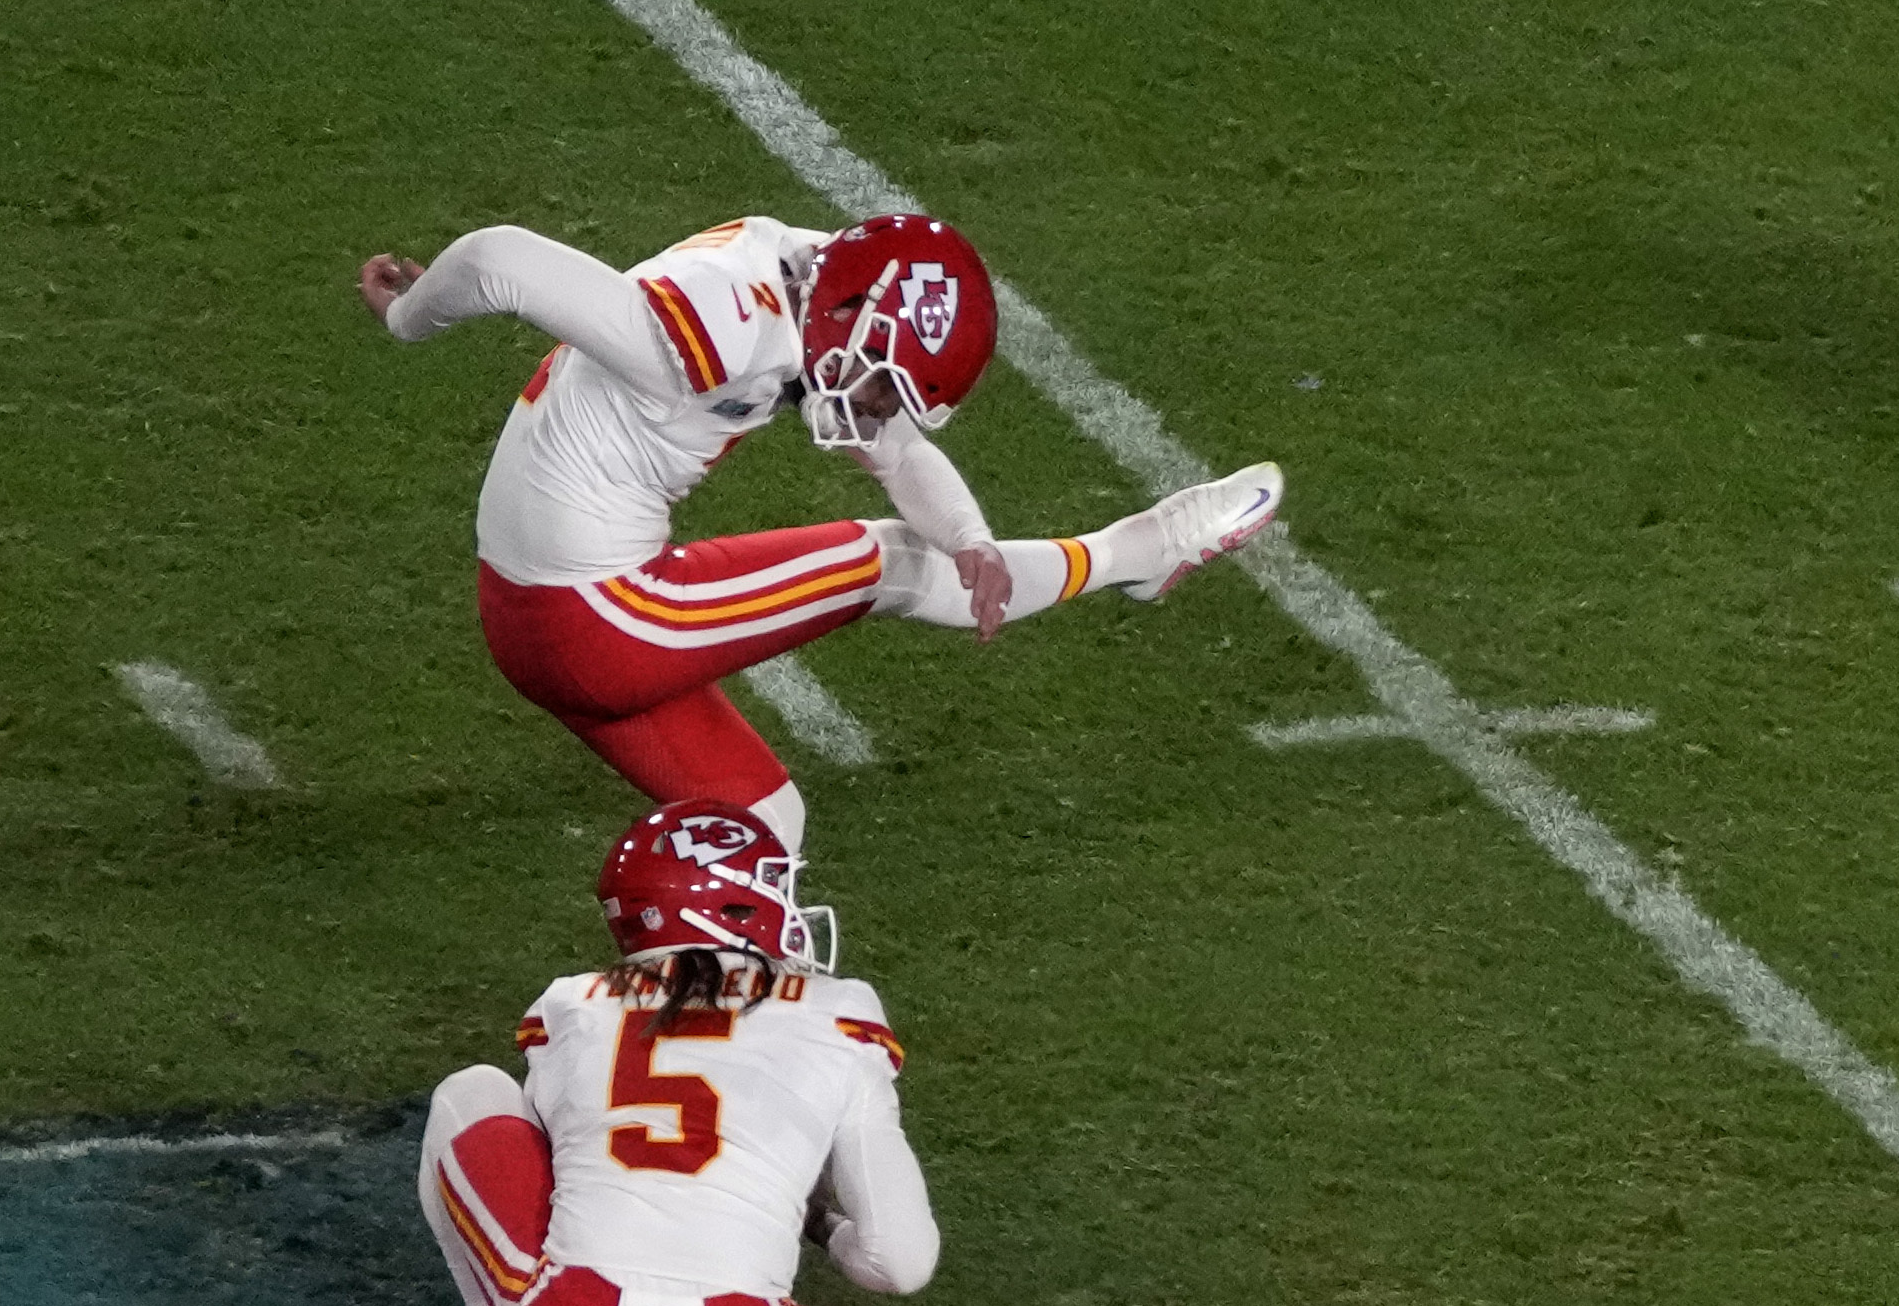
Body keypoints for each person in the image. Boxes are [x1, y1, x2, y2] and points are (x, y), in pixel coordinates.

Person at [358, 211, 1281, 841]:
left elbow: (898, 449)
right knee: (881, 559)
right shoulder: (726, 321)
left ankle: (672, 1065)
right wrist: (407, 317)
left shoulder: (820, 282)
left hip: (533, 611)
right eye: (883, 382)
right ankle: (1134, 553)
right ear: (850, 314)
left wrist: (971, 541)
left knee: (761, 831)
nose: (876, 408)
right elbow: (498, 259)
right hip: (595, 616)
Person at [414, 805, 968, 1306]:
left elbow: (545, 1163)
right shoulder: (842, 1016)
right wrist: (814, 1225)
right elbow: (899, 1262)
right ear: (729, 903)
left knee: (469, 1094)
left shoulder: (571, 1005)